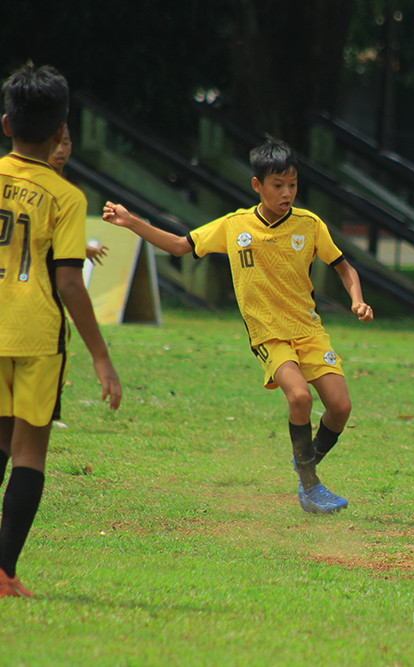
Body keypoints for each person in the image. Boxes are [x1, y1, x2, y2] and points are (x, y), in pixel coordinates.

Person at [102, 137, 373, 514]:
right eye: (278, 185)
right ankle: (310, 485)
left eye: (292, 185)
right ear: (257, 185)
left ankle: (305, 458)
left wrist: (357, 298)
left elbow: (345, 268)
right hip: (269, 334)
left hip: (309, 330)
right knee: (299, 398)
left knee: (340, 407)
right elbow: (180, 246)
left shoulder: (309, 225)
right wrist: (132, 222)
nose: (287, 193)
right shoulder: (235, 226)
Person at [0, 63, 123, 598]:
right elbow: (70, 283)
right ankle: (4, 574)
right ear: (59, 133)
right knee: (28, 452)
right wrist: (101, 355)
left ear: (7, 124)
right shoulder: (65, 197)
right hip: (35, 335)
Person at [47, 127, 108, 265]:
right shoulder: (34, 184)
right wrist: (82, 249)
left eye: (65, 143)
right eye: (54, 144)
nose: (60, 150)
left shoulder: (71, 190)